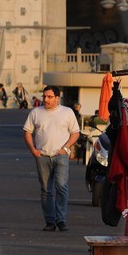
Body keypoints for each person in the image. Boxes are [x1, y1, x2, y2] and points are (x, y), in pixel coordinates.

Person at [24, 86, 81, 231]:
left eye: (49, 97)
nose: (46, 99)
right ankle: (50, 221)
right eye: (44, 96)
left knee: (61, 186)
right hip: (42, 156)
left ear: (57, 98)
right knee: (46, 190)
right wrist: (34, 151)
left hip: (60, 156)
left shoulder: (67, 112)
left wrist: (66, 148)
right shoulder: (36, 112)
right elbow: (27, 132)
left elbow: (75, 133)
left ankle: (61, 219)